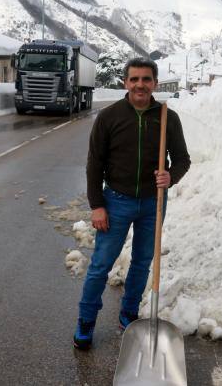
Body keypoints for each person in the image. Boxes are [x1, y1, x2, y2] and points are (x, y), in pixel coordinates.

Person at [73, 57, 190, 350]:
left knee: (141, 263)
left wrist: (170, 176)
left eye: (146, 79)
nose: (140, 84)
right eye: (134, 79)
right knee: (101, 265)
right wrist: (97, 205)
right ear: (125, 82)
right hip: (116, 202)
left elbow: (183, 160)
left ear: (155, 83)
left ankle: (128, 313)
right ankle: (86, 321)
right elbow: (94, 165)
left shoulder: (167, 117)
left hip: (153, 203)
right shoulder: (110, 117)